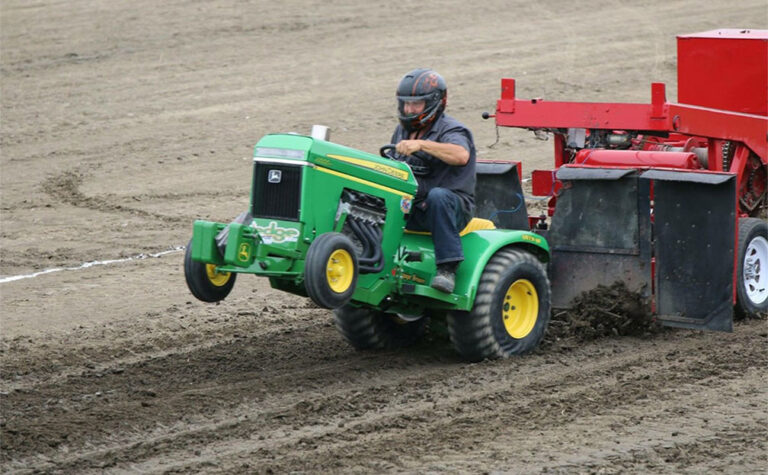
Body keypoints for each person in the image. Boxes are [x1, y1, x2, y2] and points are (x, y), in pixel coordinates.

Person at [391, 68, 476, 293]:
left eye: (416, 104)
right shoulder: (401, 132)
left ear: (435, 103)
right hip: (414, 205)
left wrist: (422, 145)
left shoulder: (452, 130)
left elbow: (460, 155)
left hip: (452, 207)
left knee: (438, 197)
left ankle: (447, 268)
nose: (409, 109)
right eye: (406, 104)